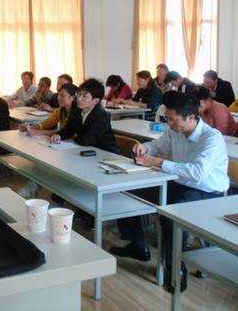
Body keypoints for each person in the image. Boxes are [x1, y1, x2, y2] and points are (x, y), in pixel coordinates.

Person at [110, 91, 228, 294]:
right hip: (178, 182)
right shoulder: (174, 130)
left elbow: (197, 173)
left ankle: (175, 269)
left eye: (173, 119)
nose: (169, 123)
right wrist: (144, 148)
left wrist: (158, 162)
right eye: (168, 119)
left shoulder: (212, 138)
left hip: (206, 191)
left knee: (171, 216)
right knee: (127, 190)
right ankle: (138, 245)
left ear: (191, 117)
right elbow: (157, 146)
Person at [18, 83, 78, 199]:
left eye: (63, 95)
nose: (59, 98)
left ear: (72, 97)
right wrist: (30, 127)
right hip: (63, 145)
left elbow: (67, 134)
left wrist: (39, 132)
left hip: (73, 147)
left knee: (49, 160)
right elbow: (46, 123)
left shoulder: (77, 112)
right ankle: (34, 185)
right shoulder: (61, 110)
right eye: (59, 95)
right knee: (41, 156)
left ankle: (45, 190)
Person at [49, 78, 120, 154]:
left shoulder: (102, 116)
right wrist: (59, 135)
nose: (79, 99)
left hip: (106, 153)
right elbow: (69, 129)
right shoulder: (77, 110)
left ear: (95, 101)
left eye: (84, 96)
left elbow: (87, 140)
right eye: (79, 94)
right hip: (86, 150)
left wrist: (74, 137)